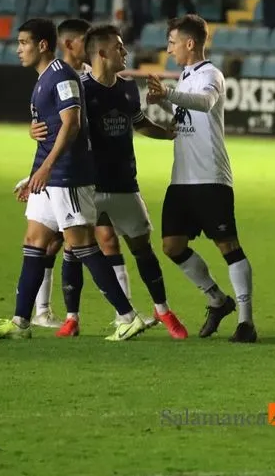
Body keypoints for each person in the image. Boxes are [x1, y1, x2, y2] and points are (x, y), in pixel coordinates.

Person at [0, 18, 147, 342]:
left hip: (67, 175)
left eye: (24, 43)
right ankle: (20, 322)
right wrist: (33, 175)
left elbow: (71, 124)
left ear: (43, 45)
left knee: (81, 245)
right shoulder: (44, 79)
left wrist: (45, 169)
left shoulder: (61, 77)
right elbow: (50, 131)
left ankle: (127, 317)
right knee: (34, 242)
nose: (18, 50)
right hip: (50, 175)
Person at [27, 21, 190, 339]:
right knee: (74, 249)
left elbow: (139, 122)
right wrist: (33, 134)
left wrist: (169, 133)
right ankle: (72, 317)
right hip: (89, 184)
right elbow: (59, 126)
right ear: (101, 52)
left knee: (142, 249)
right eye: (119, 47)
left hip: (125, 183)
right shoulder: (81, 89)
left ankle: (163, 311)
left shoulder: (128, 87)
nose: (125, 51)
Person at [145, 15, 258, 343]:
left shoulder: (211, 75)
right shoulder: (185, 76)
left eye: (172, 42)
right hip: (182, 178)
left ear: (190, 43)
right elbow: (186, 115)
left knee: (228, 246)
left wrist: (168, 93)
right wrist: (163, 100)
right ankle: (217, 300)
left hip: (210, 176)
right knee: (171, 246)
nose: (168, 49)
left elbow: (206, 104)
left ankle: (247, 322)